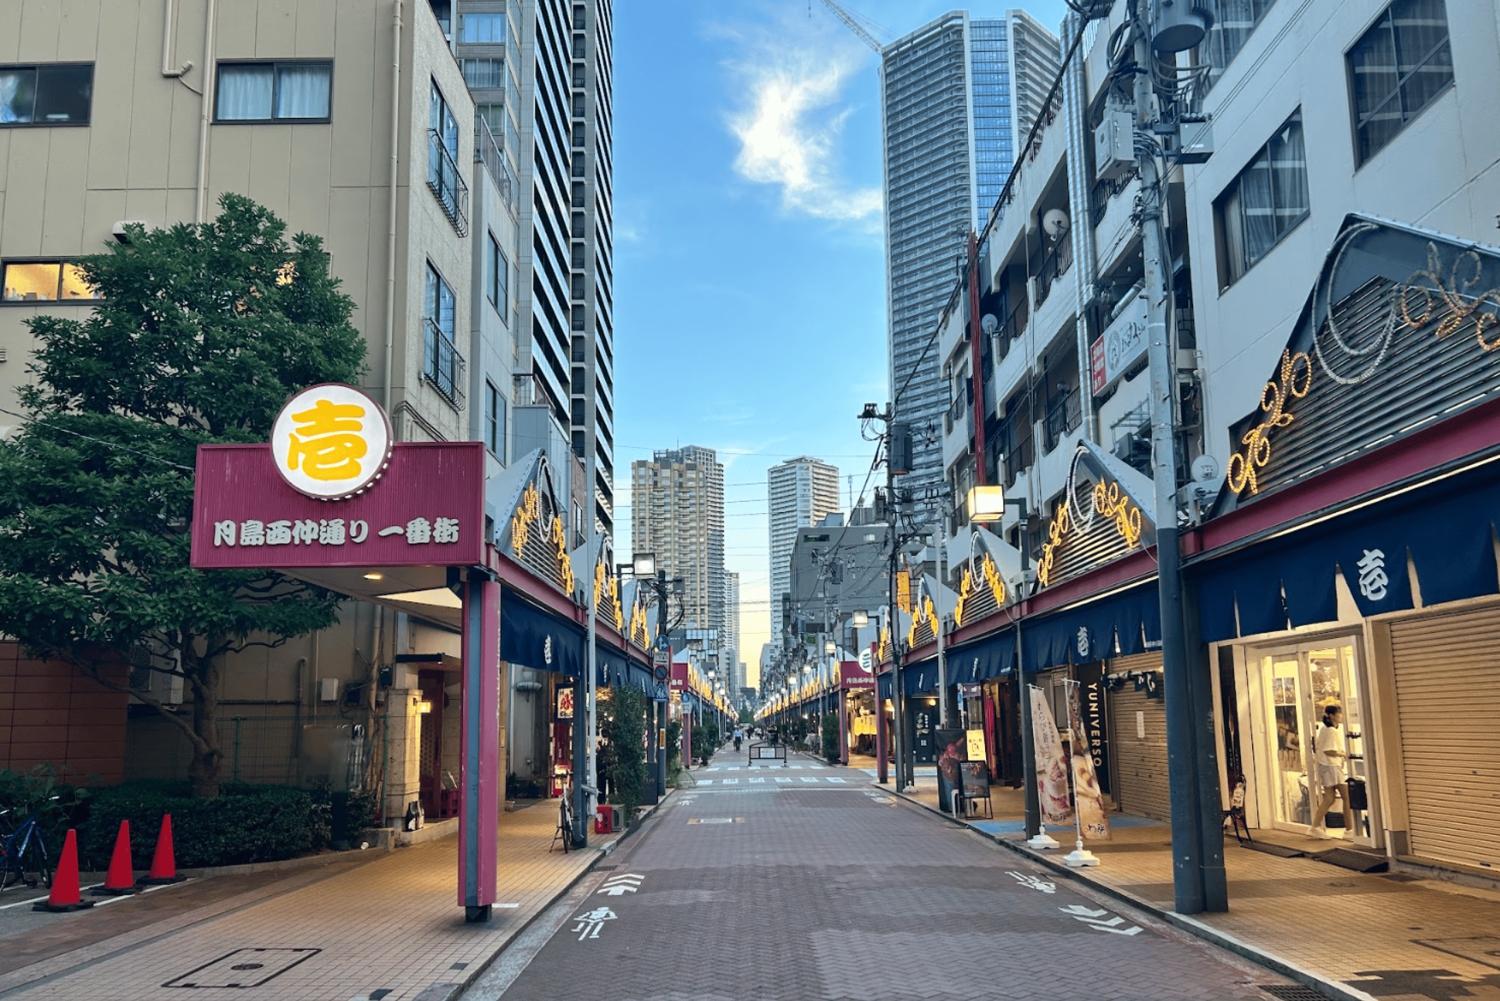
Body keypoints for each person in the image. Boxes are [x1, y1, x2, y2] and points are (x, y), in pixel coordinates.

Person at [1310, 703, 1354, 839]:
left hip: (1325, 766)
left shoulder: (1324, 729)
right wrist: (1344, 754)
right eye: (1338, 713)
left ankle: (1315, 827)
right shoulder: (1331, 731)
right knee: (1347, 797)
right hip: (1332, 766)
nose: (1341, 716)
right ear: (1331, 716)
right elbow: (1329, 750)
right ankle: (1349, 830)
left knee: (1329, 798)